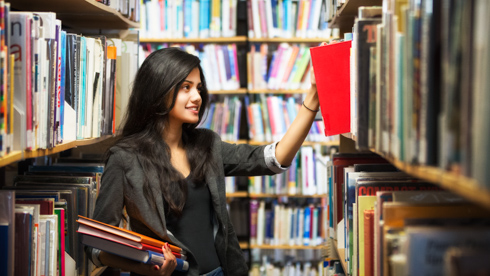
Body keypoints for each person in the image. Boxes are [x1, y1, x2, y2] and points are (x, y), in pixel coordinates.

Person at [87, 46, 321, 276]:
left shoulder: (206, 144)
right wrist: (142, 268)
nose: (197, 97)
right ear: (158, 90)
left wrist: (312, 100)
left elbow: (273, 159)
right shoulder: (125, 158)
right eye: (185, 88)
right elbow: (97, 246)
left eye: (199, 88)